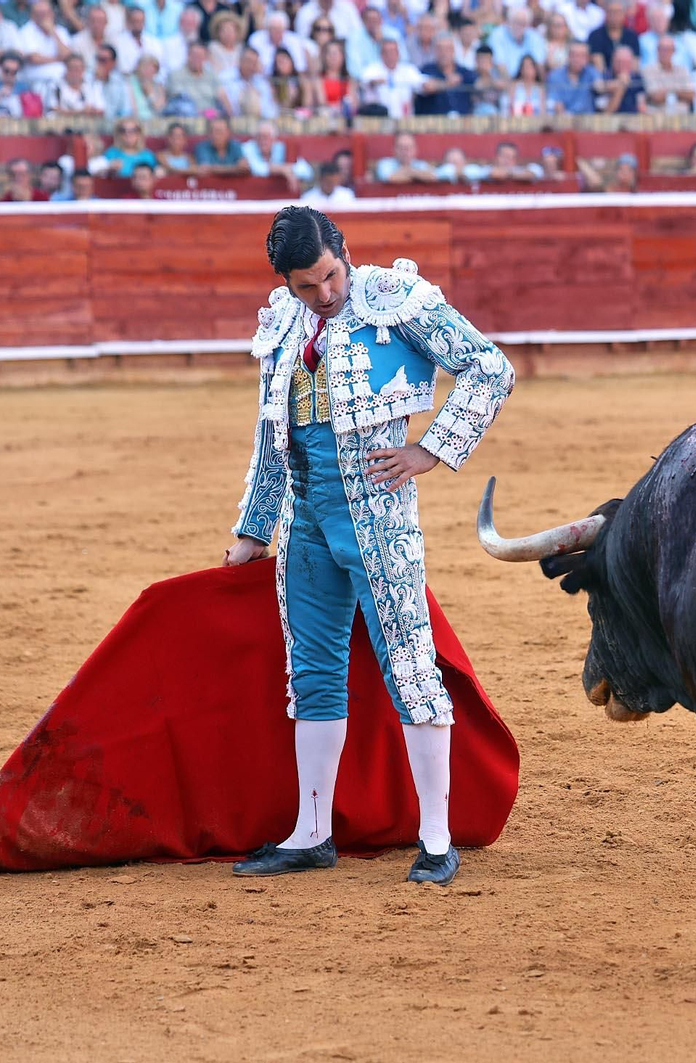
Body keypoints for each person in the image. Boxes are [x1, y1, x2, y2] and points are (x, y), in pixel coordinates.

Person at [225, 207, 514, 885]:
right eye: (305, 285)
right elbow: (272, 435)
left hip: (377, 513)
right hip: (305, 520)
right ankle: (312, 831)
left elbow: (489, 367)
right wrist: (252, 529)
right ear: (285, 282)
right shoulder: (283, 323)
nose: (323, 294)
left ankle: (437, 839)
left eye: (328, 276)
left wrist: (431, 449)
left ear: (343, 253)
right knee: (312, 671)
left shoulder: (396, 298)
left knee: (410, 665)